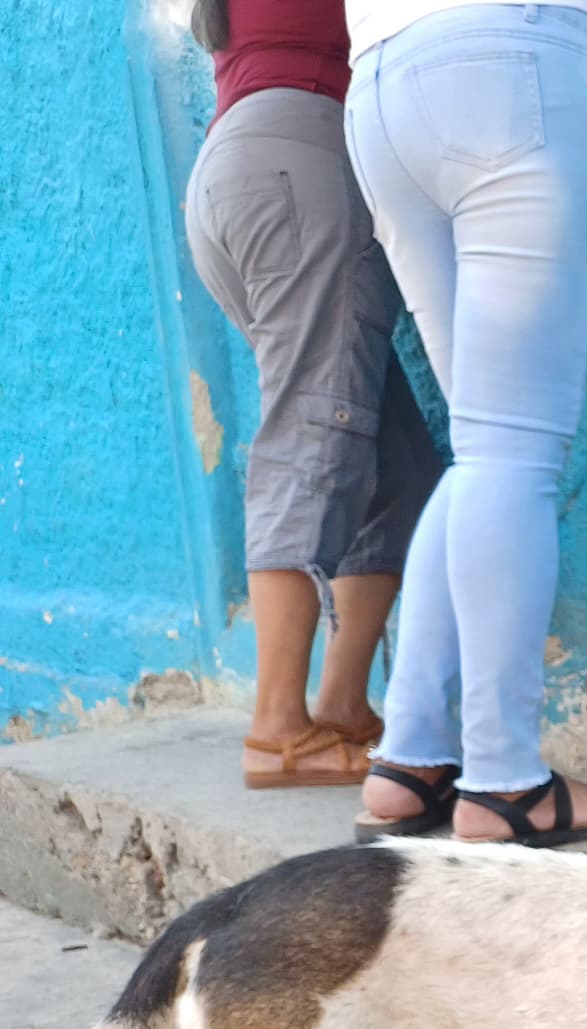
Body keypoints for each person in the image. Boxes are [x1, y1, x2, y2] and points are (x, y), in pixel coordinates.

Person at [343, 0, 587, 845]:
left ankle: (412, 757)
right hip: (524, 57)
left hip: (380, 82)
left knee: (486, 449)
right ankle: (506, 780)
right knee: (511, 453)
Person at [182, 0, 438, 789]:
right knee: (313, 431)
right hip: (299, 161)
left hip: (243, 167)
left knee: (396, 467)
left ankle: (339, 705)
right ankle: (278, 729)